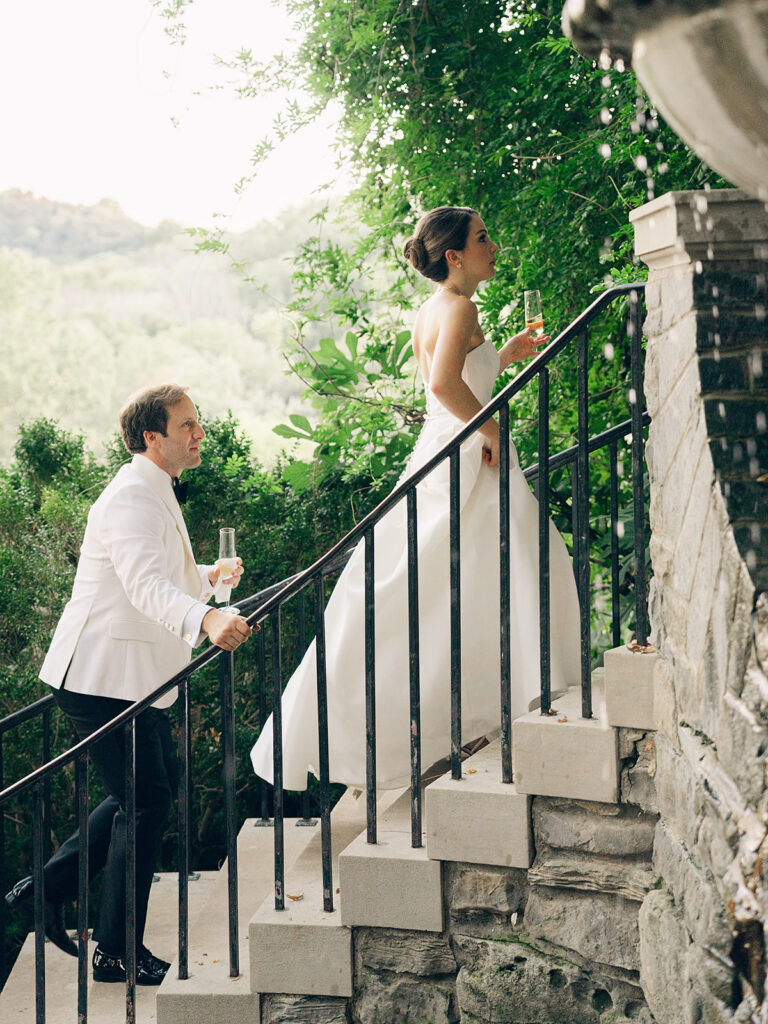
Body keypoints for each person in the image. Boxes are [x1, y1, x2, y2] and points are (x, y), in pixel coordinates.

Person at [250, 206, 580, 792]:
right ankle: (502, 698)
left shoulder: (433, 308)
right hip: (468, 452)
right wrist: (493, 432)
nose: (492, 245)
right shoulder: (460, 306)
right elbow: (442, 386)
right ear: (454, 256)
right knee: (488, 569)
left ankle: (477, 707)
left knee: (459, 579)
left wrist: (504, 355)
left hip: (445, 445)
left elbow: (457, 375)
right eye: (483, 238)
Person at [5, 383, 252, 984]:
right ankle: (113, 948)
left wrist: (208, 580)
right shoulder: (130, 497)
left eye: (198, 422)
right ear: (152, 437)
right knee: (145, 802)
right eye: (187, 425)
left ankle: (44, 891)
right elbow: (144, 587)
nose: (199, 434)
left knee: (141, 797)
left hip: (129, 677)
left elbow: (159, 573)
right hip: (98, 676)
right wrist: (208, 616)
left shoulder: (154, 489)